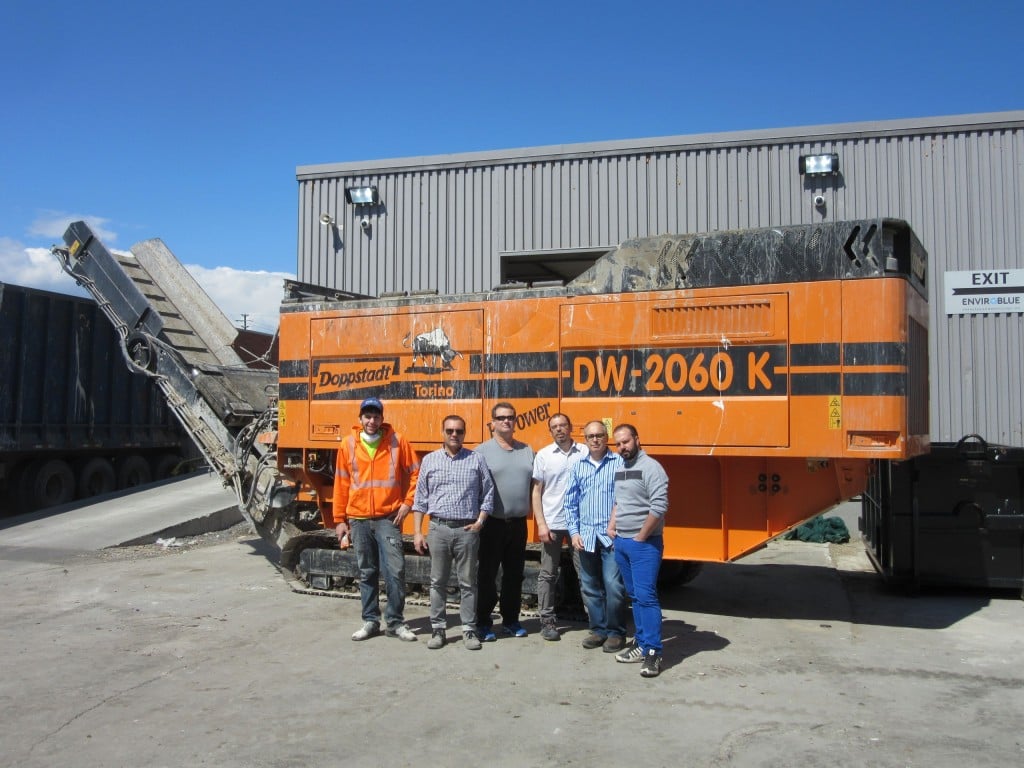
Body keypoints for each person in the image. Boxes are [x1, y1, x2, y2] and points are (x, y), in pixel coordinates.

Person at [332, 397, 420, 642]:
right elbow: (341, 483)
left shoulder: (397, 442)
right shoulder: (347, 445)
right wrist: (339, 519)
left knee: (395, 571)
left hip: (387, 518)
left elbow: (416, 472)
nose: (372, 421)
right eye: (367, 416)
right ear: (360, 419)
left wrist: (407, 503)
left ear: (382, 419)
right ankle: (370, 620)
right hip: (358, 520)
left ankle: (395, 623)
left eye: (376, 416)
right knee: (367, 571)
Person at [412, 415, 494, 651]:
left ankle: (469, 629)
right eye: (450, 430)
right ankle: (438, 629)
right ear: (442, 432)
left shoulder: (476, 459)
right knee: (437, 582)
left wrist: (479, 522)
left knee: (468, 583)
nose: (454, 435)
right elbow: (420, 499)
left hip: (467, 530)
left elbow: (488, 494)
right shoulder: (429, 460)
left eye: (459, 431)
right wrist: (418, 532)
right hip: (438, 529)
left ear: (465, 433)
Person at [608, 423, 670, 678]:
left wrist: (641, 537)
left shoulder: (651, 467)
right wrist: (612, 526)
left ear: (637, 439)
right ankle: (642, 644)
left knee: (646, 597)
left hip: (643, 544)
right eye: (619, 444)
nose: (622, 447)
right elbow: (619, 500)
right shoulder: (622, 468)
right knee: (634, 596)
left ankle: (654, 653)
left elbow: (660, 505)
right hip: (622, 541)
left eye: (626, 441)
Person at [563, 420, 627, 653]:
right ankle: (598, 629)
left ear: (607, 437)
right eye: (591, 436)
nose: (596, 440)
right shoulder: (578, 466)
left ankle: (616, 632)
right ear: (585, 439)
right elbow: (570, 504)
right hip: (586, 536)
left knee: (613, 586)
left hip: (612, 537)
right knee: (590, 586)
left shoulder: (620, 463)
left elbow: (627, 498)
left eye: (600, 435)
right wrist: (574, 532)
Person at [474, 402, 535, 640]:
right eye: (501, 418)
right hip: (492, 524)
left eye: (510, 417)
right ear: (492, 423)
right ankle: (483, 623)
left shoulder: (527, 450)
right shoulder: (481, 452)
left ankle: (510, 620)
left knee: (514, 575)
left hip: (518, 524)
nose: (506, 421)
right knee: (487, 575)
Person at [530, 412, 585, 641]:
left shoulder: (584, 451)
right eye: (555, 427)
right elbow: (536, 492)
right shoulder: (543, 455)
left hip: (580, 525)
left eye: (563, 425)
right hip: (552, 522)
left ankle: (598, 620)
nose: (559, 429)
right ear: (550, 431)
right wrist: (541, 524)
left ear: (570, 427)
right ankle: (547, 621)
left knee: (586, 572)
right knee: (548, 574)